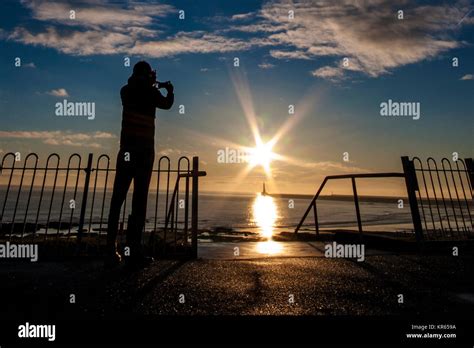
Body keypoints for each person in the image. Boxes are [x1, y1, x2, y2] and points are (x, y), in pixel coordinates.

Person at [105, 61, 174, 268]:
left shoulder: (125, 90)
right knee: (139, 201)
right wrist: (167, 89)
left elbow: (136, 90)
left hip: (126, 151)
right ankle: (133, 250)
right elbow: (167, 104)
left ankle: (111, 249)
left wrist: (151, 82)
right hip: (144, 153)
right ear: (146, 75)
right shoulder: (150, 93)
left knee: (117, 199)